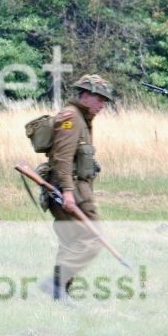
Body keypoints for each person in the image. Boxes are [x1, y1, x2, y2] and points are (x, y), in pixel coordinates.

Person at [41, 74, 114, 300]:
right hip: (69, 191)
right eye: (100, 99)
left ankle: (60, 292)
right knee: (92, 240)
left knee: (72, 240)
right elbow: (62, 159)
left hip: (76, 190)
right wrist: (69, 193)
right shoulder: (71, 118)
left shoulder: (82, 120)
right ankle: (55, 283)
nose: (102, 105)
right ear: (86, 95)